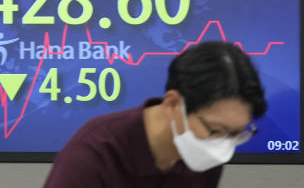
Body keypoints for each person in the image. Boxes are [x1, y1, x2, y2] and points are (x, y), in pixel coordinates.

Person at [43, 41, 267, 187]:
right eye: (216, 131)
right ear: (172, 104)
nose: (223, 148)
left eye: (237, 134)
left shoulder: (202, 155)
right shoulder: (92, 158)